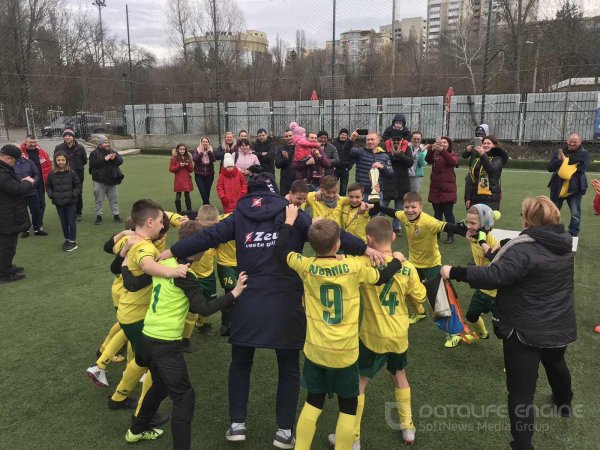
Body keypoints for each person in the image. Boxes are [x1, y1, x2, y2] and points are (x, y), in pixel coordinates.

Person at [158, 172, 383, 449]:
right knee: (288, 367)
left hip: (248, 299)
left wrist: (173, 250)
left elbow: (206, 237)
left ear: (247, 194)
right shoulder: (291, 212)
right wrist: (363, 248)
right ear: (275, 192)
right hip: (285, 302)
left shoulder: (238, 215)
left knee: (241, 362)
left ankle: (237, 424)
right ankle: (284, 431)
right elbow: (325, 229)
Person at [441, 196, 576, 450]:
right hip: (558, 324)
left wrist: (454, 271)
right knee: (556, 363)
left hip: (522, 328)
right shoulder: (563, 245)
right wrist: (502, 244)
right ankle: (564, 403)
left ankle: (523, 445)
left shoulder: (523, 249)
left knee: (521, 391)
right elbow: (522, 253)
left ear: (528, 220)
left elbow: (494, 275)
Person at [273, 208, 404, 450]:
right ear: (339, 243)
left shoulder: (306, 265)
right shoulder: (353, 267)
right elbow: (383, 276)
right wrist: (397, 260)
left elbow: (281, 250)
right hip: (345, 353)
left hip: (316, 351)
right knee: (348, 407)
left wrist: (289, 222)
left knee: (313, 402)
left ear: (312, 245)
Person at [125, 220, 248, 449]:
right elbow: (203, 308)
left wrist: (124, 260)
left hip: (149, 336)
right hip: (164, 342)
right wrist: (235, 293)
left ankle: (136, 430)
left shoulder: (164, 260)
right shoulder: (185, 275)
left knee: (161, 385)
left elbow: (134, 282)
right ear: (199, 248)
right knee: (184, 397)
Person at [327, 217, 427, 448]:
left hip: (372, 337)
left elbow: (339, 262)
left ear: (368, 240)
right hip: (399, 335)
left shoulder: (363, 262)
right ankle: (408, 428)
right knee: (399, 376)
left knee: (360, 383)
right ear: (393, 236)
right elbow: (420, 297)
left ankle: (353, 439)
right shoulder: (407, 267)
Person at [107, 200, 189, 413]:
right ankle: (142, 418)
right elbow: (146, 265)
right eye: (161, 222)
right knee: (156, 366)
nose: (163, 226)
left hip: (129, 312)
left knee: (144, 359)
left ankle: (118, 399)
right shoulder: (144, 246)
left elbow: (113, 258)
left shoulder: (133, 239)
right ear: (150, 222)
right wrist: (171, 271)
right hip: (136, 315)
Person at [376, 191, 467, 348]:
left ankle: (455, 332)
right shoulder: (404, 216)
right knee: (409, 290)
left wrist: (465, 231)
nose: (409, 210)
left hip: (432, 266)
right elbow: (392, 212)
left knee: (440, 300)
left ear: (421, 207)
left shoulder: (428, 222)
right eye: (407, 207)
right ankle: (420, 313)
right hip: (414, 264)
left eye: (413, 207)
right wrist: (377, 206)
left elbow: (446, 226)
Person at [460, 204, 501, 341]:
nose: (469, 226)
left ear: (484, 224)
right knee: (471, 316)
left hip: (498, 293)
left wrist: (483, 242)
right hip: (482, 288)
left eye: (473, 223)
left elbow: (497, 259)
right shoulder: (473, 234)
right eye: (468, 222)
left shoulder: (491, 239)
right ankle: (482, 333)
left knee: (501, 329)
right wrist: (466, 228)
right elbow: (460, 228)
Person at [0, 144, 35, 283]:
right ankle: (3, 273)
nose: (15, 163)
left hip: (7, 213)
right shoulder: (2, 173)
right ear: (8, 158)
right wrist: (27, 182)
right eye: (14, 160)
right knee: (6, 246)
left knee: (9, 245)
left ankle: (6, 267)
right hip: (5, 215)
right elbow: (16, 190)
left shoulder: (4, 169)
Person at [547, 133, 591, 237]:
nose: (572, 143)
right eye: (570, 141)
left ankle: (573, 234)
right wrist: (559, 160)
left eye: (575, 142)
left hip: (574, 188)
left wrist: (565, 160)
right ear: (567, 141)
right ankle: (551, 231)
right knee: (553, 212)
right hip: (557, 186)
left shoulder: (584, 154)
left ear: (580, 142)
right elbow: (550, 168)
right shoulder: (559, 152)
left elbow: (582, 169)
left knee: (575, 214)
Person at [342, 130, 393, 201]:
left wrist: (382, 167)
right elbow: (345, 152)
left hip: (377, 192)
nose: (370, 142)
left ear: (378, 141)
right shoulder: (360, 151)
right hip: (361, 193)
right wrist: (351, 140)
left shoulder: (385, 156)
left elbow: (390, 174)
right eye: (368, 140)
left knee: (376, 212)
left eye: (372, 139)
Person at [46, 150, 82, 252]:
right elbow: (48, 186)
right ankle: (67, 239)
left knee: (71, 221)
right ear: (55, 161)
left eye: (63, 160)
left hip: (70, 202)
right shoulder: (51, 174)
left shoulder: (72, 172)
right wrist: (51, 195)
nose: (61, 162)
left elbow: (78, 186)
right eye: (58, 160)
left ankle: (73, 241)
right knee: (63, 222)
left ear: (66, 160)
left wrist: (73, 194)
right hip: (59, 202)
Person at [426, 137, 458, 244]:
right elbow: (427, 159)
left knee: (448, 213)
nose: (442, 144)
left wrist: (442, 151)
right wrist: (431, 149)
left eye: (445, 142)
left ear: (449, 145)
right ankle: (437, 233)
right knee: (437, 214)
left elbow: (452, 162)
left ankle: (450, 235)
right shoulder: (435, 154)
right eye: (441, 142)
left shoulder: (452, 154)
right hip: (435, 189)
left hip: (448, 189)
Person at [382, 131, 414, 235]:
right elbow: (384, 162)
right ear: (390, 140)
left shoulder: (407, 149)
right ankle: (380, 225)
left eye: (398, 140)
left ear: (401, 141)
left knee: (399, 207)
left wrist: (399, 153)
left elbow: (410, 163)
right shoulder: (385, 148)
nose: (396, 142)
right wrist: (392, 154)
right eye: (393, 140)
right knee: (383, 206)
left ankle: (396, 227)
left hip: (402, 182)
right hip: (388, 181)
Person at [465, 136, 508, 210]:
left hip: (490, 198)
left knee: (486, 221)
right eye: (484, 143)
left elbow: (492, 171)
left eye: (488, 143)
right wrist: (468, 197)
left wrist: (482, 154)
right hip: (475, 197)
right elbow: (472, 179)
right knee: (474, 220)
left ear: (494, 145)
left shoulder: (498, 158)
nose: (485, 145)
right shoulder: (478, 159)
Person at [89, 135, 124, 225]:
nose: (107, 144)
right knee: (99, 200)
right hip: (99, 180)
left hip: (112, 180)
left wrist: (115, 158)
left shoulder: (112, 151)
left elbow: (120, 161)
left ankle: (116, 215)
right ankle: (99, 216)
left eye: (107, 142)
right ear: (100, 144)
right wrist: (105, 159)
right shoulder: (94, 153)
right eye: (105, 143)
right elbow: (93, 165)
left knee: (114, 199)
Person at [20, 135, 51, 235]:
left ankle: (38, 225)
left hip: (40, 183)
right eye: (30, 142)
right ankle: (26, 227)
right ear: (25, 142)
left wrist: (48, 181)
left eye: (35, 142)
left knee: (41, 204)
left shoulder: (43, 153)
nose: (33, 144)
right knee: (24, 206)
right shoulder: (19, 153)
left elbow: (48, 167)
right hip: (24, 184)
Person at [54, 128, 88, 220]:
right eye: (65, 136)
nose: (67, 137)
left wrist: (78, 166)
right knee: (66, 192)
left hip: (78, 174)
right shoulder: (59, 148)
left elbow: (84, 160)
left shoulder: (80, 147)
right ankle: (68, 211)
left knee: (78, 192)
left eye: (69, 135)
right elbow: (56, 160)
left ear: (73, 137)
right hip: (64, 174)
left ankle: (78, 212)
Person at [14, 151, 41, 239]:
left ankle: (37, 229)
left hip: (31, 191)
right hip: (19, 192)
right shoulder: (10, 165)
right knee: (22, 212)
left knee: (36, 211)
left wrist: (32, 182)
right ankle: (26, 229)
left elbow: (37, 174)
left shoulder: (29, 162)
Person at [462, 124, 489, 209]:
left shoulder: (488, 144)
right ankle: (469, 208)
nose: (479, 136)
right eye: (477, 134)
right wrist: (467, 150)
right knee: (468, 193)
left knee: (482, 196)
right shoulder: (473, 142)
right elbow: (464, 156)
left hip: (483, 174)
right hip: (471, 172)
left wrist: (483, 149)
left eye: (481, 134)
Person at [169, 143, 194, 213]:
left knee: (187, 195)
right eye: (180, 149)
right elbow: (171, 169)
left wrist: (187, 164)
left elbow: (191, 169)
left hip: (186, 179)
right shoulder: (174, 158)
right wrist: (179, 165)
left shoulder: (188, 157)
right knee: (178, 195)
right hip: (179, 180)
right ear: (177, 150)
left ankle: (190, 211)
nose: (182, 151)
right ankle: (179, 211)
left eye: (183, 149)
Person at [192, 137, 216, 206]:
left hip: (210, 174)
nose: (205, 143)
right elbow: (195, 159)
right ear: (201, 142)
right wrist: (202, 152)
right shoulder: (197, 150)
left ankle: (205, 205)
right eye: (203, 142)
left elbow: (213, 159)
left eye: (206, 142)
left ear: (208, 143)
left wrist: (208, 152)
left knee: (207, 191)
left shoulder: (211, 150)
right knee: (202, 190)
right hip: (199, 174)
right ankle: (207, 204)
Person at [275, 129, 296, 196]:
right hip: (285, 181)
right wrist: (285, 159)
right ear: (284, 137)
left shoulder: (298, 148)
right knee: (284, 201)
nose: (288, 138)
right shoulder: (281, 149)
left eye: (290, 135)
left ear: (294, 136)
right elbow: (277, 165)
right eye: (286, 136)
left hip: (296, 180)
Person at [332, 128, 352, 195]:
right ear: (339, 135)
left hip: (345, 169)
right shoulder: (334, 143)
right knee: (333, 187)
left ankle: (342, 202)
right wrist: (333, 165)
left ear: (347, 136)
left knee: (343, 188)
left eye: (345, 135)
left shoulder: (349, 144)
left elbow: (352, 156)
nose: (343, 136)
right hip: (335, 169)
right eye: (342, 134)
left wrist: (349, 166)